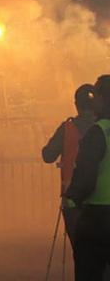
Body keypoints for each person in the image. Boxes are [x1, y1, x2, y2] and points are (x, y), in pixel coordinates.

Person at [66, 75, 110, 280]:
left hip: (98, 214)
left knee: (89, 270)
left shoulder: (98, 132)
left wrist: (74, 195)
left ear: (102, 98)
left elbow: (86, 176)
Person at [42, 84, 96, 249]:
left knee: (80, 250)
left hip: (72, 200)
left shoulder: (67, 129)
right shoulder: (103, 128)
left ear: (76, 105)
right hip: (102, 201)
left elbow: (48, 155)